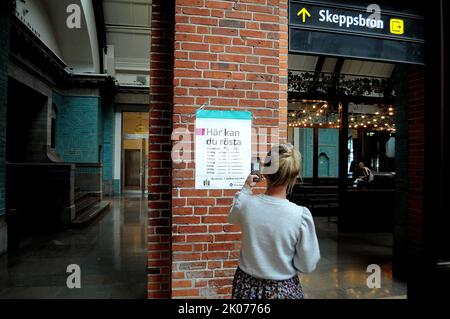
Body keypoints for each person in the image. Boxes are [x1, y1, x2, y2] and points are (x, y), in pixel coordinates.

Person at [228, 143, 320, 299]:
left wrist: (246, 187)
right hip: (284, 289)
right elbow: (307, 264)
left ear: (265, 173)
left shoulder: (246, 204)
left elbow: (233, 217)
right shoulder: (300, 215)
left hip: (245, 287)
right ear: (293, 177)